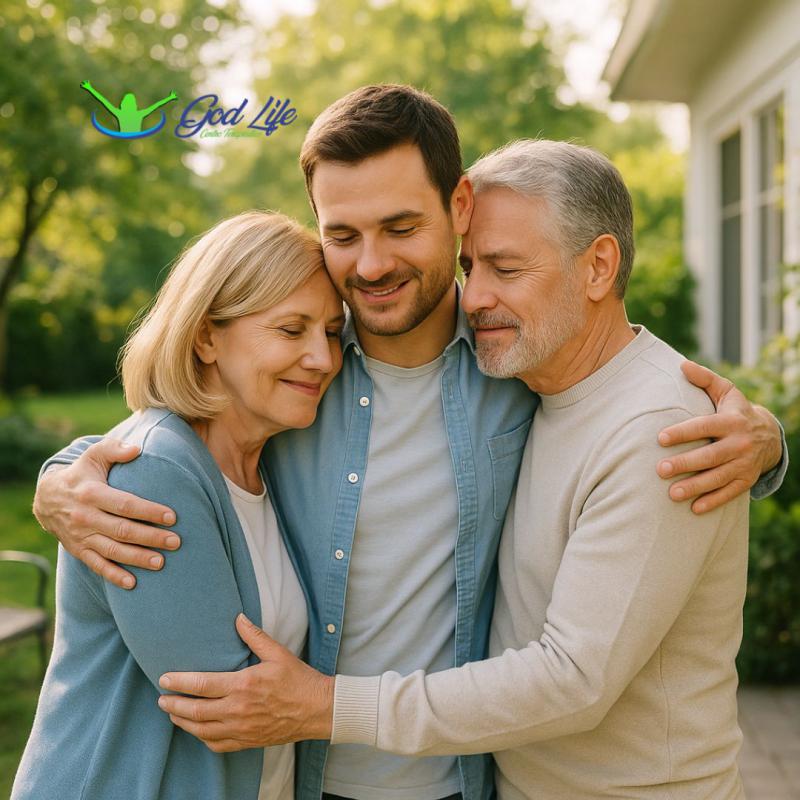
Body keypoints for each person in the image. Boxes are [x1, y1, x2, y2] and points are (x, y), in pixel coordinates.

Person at [34, 86, 786, 800]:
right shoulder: (302, 372)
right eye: (342, 235)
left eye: (401, 228)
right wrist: (64, 476)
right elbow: (179, 428)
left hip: (465, 779)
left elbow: (620, 387)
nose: (372, 264)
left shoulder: (512, 355)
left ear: (457, 206)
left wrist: (765, 443)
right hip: (310, 776)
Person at [198, 141, 762, 799]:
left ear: (598, 267)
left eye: (505, 268)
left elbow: (573, 679)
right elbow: (206, 386)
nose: (475, 298)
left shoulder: (663, 432)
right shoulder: (538, 381)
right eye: (470, 267)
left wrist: (326, 706)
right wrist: (76, 471)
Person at [13, 211, 345, 800]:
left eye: (331, 332)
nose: (322, 357)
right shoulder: (155, 474)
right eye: (292, 330)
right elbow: (225, 705)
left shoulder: (271, 465)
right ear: (206, 336)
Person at [80, 80, 178, 133]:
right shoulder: (137, 114)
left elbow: (103, 100)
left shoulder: (121, 113)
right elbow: (156, 105)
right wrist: (169, 98)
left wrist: (90, 89)